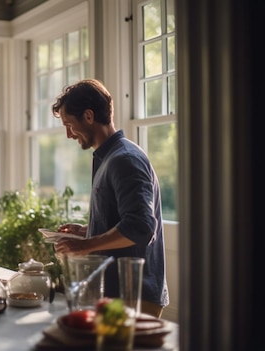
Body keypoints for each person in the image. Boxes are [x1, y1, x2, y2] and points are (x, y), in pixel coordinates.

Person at [51, 79, 169, 317]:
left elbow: (140, 227)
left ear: (88, 116)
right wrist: (88, 230)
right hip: (115, 295)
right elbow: (122, 220)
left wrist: (86, 245)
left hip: (133, 297)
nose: (68, 134)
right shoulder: (108, 158)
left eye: (69, 125)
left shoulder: (125, 160)